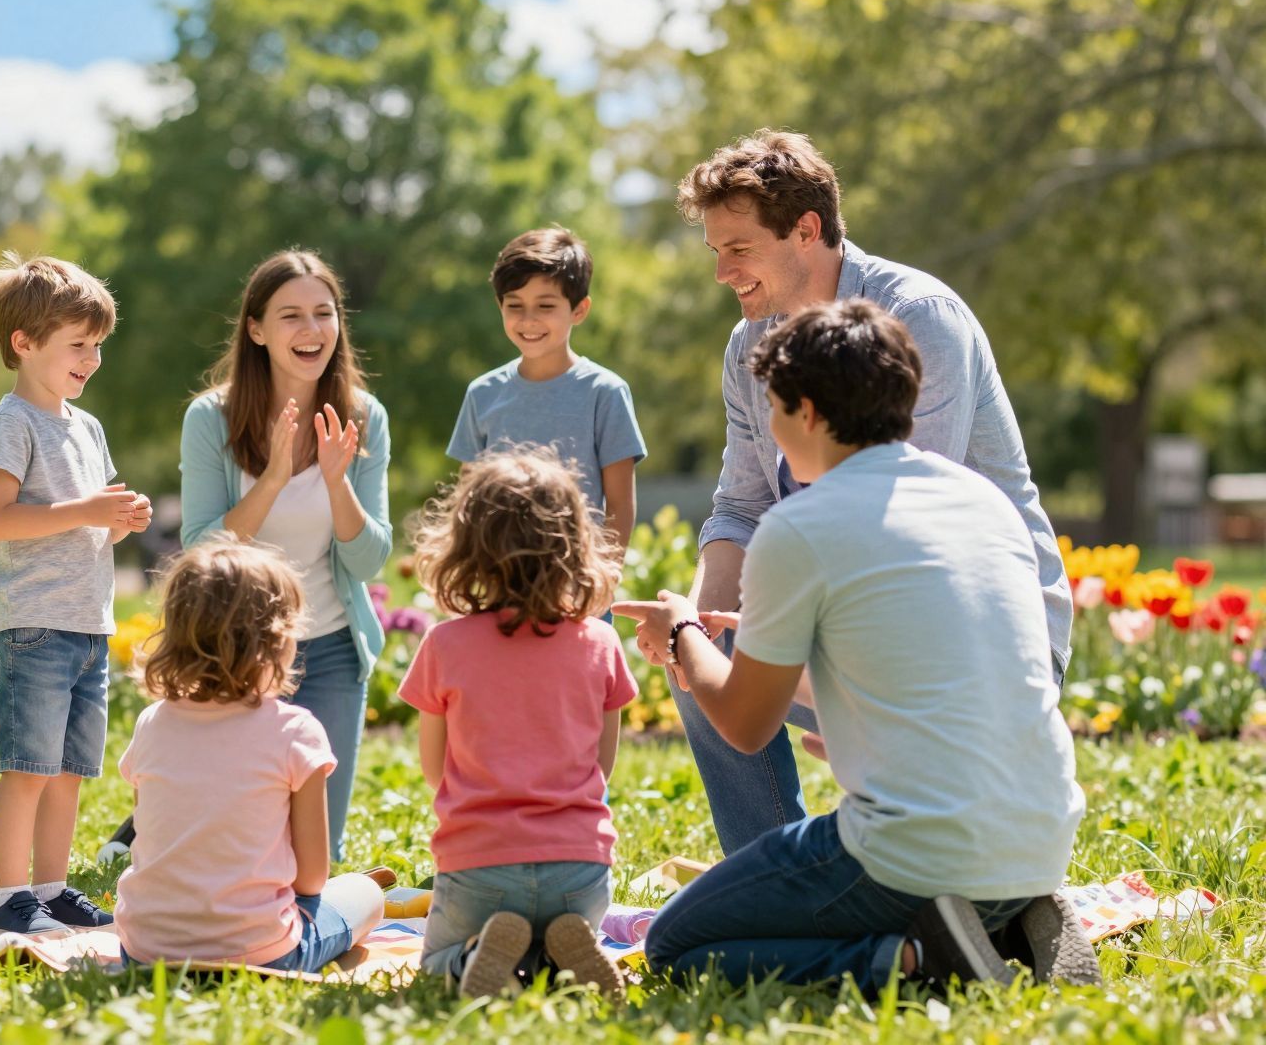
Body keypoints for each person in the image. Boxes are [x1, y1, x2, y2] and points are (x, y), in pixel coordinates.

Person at [615, 300, 1093, 993]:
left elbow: (744, 725)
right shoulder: (982, 501)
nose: (771, 432)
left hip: (910, 853)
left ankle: (918, 960)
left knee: (676, 945)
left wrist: (683, 631)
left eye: (775, 410)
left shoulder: (799, 526)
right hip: (1040, 840)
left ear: (808, 412)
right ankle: (1001, 923)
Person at [675, 129, 1072, 855]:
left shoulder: (917, 317)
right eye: (715, 251)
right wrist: (697, 624)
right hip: (864, 619)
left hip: (972, 639)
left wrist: (803, 658)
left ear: (806, 230)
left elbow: (906, 532)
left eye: (739, 249)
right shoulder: (748, 347)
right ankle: (770, 865)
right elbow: (739, 507)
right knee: (701, 662)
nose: (722, 272)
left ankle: (827, 881)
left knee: (722, 663)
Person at [177, 250, 392, 862]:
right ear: (256, 329)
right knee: (236, 839)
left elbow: (369, 563)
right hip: (235, 652)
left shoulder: (364, 416)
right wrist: (272, 478)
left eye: (324, 313)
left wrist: (336, 482)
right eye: (291, 315)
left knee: (317, 850)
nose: (311, 329)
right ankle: (143, 828)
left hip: (329, 649)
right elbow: (201, 553)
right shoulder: (210, 419)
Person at [400, 449, 633, 1001]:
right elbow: (602, 767)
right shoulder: (600, 642)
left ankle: (476, 957)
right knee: (546, 953)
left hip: (479, 865)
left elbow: (435, 771)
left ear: (467, 548)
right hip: (578, 868)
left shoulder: (444, 644)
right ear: (575, 545)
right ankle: (557, 955)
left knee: (434, 962)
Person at [0, 253, 151, 935]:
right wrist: (88, 510)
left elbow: (89, 525)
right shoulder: (11, 423)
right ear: (24, 343)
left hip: (88, 626)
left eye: (97, 345)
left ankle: (51, 888)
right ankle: (10, 895)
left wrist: (120, 520)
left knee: (69, 771)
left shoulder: (87, 427)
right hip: (33, 627)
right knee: (28, 769)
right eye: (78, 345)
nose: (92, 360)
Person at [114, 536, 386, 972]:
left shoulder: (152, 723)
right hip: (263, 951)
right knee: (366, 894)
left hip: (145, 947)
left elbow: (149, 842)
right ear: (278, 640)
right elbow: (311, 879)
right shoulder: (295, 731)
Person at [447, 228, 646, 552]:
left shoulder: (606, 393)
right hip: (497, 573)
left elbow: (620, 506)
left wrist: (603, 575)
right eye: (515, 305)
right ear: (500, 306)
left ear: (579, 310)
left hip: (577, 576)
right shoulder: (481, 394)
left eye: (545, 306)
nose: (528, 320)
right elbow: (467, 500)